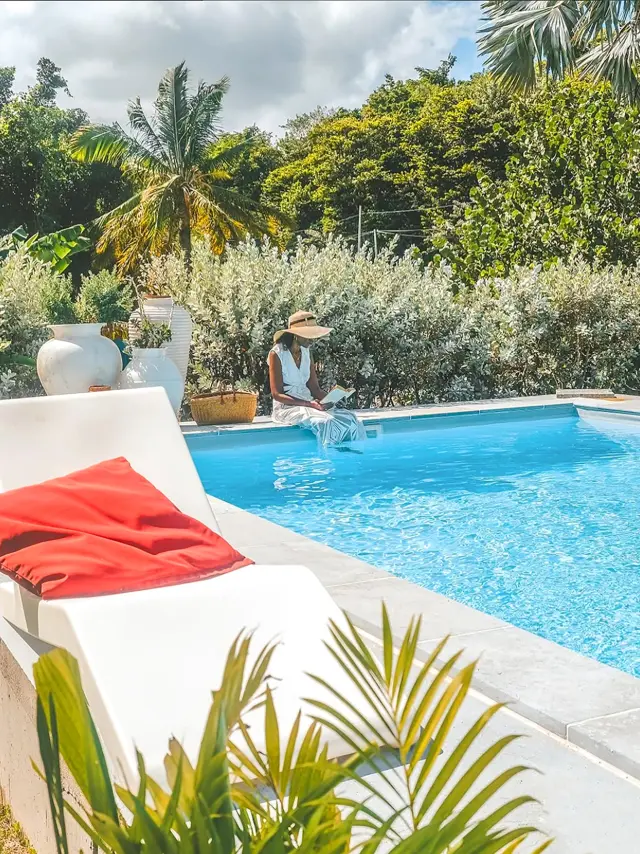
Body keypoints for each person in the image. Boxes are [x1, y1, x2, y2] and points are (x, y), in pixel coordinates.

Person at [268, 310, 365, 445]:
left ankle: (352, 457)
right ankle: (327, 458)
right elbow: (277, 394)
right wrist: (309, 404)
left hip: (309, 403)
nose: (312, 339)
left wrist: (332, 399)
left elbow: (314, 388)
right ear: (296, 335)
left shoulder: (307, 352)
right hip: (287, 407)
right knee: (325, 422)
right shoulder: (276, 354)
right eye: (308, 335)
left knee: (351, 418)